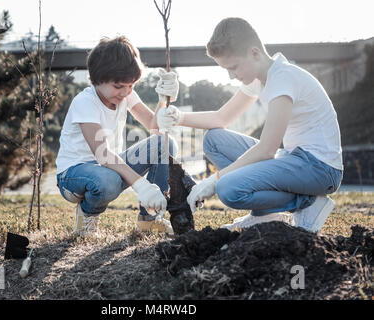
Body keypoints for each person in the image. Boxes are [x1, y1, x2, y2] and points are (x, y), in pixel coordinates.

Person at [157, 17, 343, 233]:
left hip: (320, 169)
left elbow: (266, 150)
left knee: (228, 189)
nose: (231, 76)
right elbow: (221, 119)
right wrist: (178, 117)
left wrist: (214, 180)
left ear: (255, 53)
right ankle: (265, 215)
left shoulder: (282, 79)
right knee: (214, 140)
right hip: (295, 158)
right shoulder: (259, 78)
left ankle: (307, 203)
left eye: (234, 67)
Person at [56, 36, 179, 238]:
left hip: (110, 168)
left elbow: (153, 127)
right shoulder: (85, 102)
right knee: (108, 181)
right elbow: (103, 154)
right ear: (98, 79)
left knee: (164, 144)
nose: (125, 93)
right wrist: (142, 185)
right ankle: (87, 214)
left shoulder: (125, 94)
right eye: (118, 86)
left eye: (130, 86)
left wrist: (163, 100)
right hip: (73, 175)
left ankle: (149, 220)